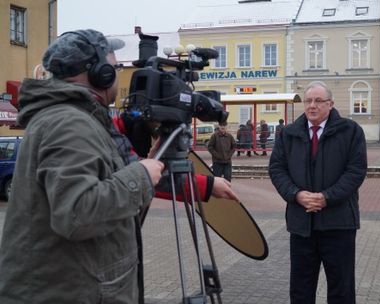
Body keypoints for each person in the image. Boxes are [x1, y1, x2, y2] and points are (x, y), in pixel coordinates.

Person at [0, 29, 237, 304]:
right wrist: (141, 174)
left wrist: (147, 167)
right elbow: (78, 213)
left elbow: (109, 182)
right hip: (67, 291)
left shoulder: (77, 119)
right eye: (112, 66)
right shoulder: (68, 123)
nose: (114, 73)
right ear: (99, 73)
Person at [269, 81, 367, 304]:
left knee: (341, 290)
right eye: (308, 101)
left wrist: (326, 198)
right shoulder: (289, 134)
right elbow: (277, 168)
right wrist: (296, 194)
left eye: (318, 101)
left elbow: (356, 171)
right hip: (301, 225)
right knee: (301, 290)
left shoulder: (350, 131)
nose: (312, 106)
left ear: (330, 104)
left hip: (338, 224)